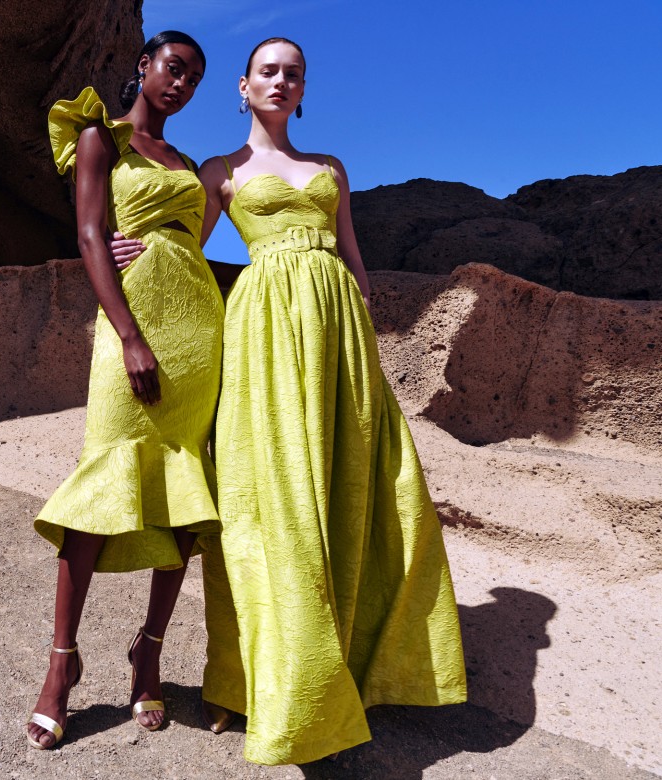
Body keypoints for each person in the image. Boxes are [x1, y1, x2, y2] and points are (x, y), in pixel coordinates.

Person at [112, 36, 467, 766]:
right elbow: (189, 248)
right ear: (242, 88)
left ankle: (358, 669)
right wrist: (146, 256)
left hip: (336, 333)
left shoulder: (330, 168)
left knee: (357, 490)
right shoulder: (220, 172)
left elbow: (354, 260)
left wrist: (364, 336)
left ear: (304, 90)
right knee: (264, 501)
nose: (280, 81)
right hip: (264, 331)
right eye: (267, 71)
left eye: (293, 74)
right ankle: (247, 683)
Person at [25, 31, 225, 750]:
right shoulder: (97, 136)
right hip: (131, 323)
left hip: (197, 327)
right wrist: (130, 333)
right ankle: (61, 665)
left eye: (195, 77)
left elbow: (189, 241)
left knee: (180, 489)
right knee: (101, 476)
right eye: (174, 67)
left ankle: (150, 653)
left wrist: (168, 247)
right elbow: (87, 236)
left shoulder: (189, 163)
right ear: (143, 66)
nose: (182, 83)